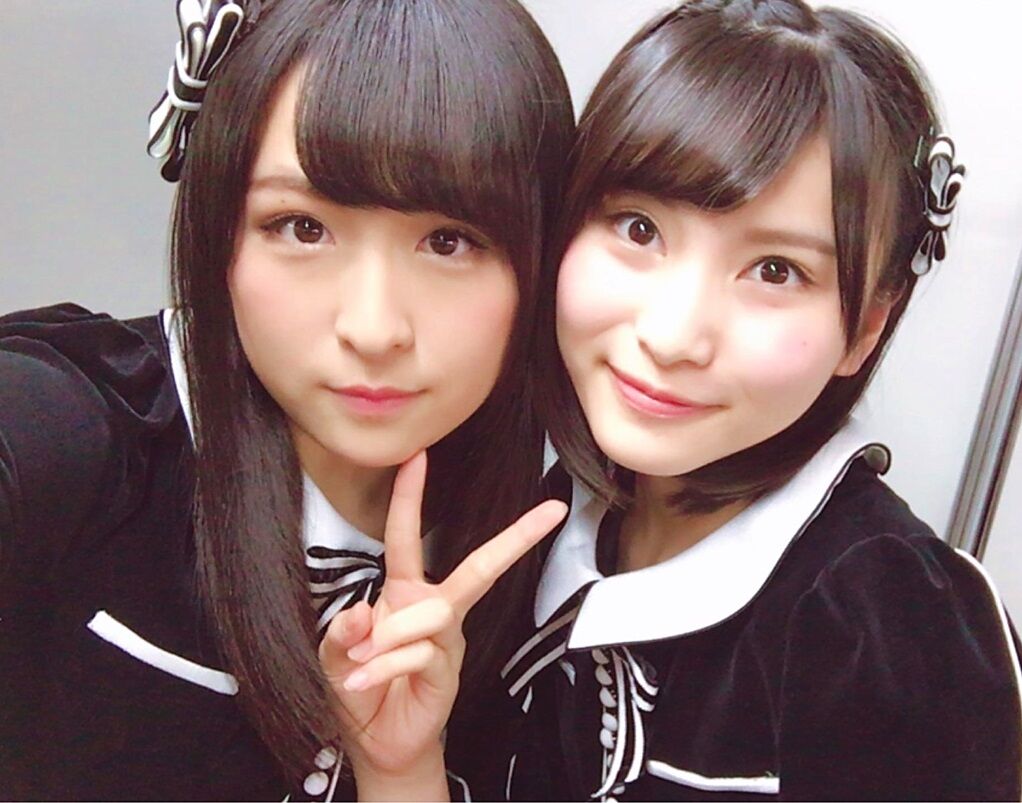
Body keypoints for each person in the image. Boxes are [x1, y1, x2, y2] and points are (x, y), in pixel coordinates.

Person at [335, 0, 1022, 799]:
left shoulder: (891, 630)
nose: (672, 336)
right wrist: (399, 764)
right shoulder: (540, 521)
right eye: (638, 228)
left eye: (775, 271)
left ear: (866, 328)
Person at [0, 0, 574, 799]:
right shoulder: (87, 429)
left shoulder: (561, 547)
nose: (373, 328)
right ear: (221, 231)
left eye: (449, 241)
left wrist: (401, 771)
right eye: (303, 227)